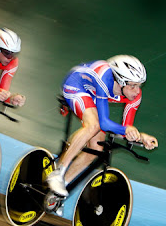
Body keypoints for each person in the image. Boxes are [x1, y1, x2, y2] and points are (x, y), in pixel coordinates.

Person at [46, 55, 158, 207]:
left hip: (93, 95)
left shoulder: (135, 96)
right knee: (93, 125)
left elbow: (126, 129)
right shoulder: (104, 78)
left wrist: (140, 137)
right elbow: (104, 123)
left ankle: (58, 191)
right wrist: (127, 130)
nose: (137, 91)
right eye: (132, 85)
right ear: (120, 81)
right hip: (76, 84)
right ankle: (58, 173)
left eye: (139, 85)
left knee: (96, 148)